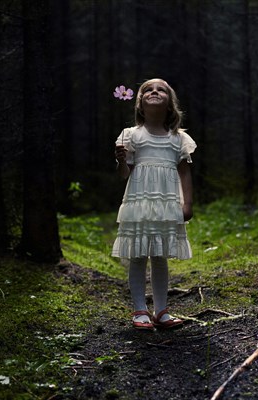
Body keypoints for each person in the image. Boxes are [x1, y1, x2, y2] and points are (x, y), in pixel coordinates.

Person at [112, 78, 196, 331]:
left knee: (160, 255)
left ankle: (161, 310)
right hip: (140, 201)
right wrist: (121, 160)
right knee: (138, 255)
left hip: (166, 203)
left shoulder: (179, 138)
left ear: (170, 102)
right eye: (148, 89)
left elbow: (184, 174)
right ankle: (140, 309)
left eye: (161, 89)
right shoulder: (131, 135)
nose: (154, 92)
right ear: (139, 102)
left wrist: (187, 204)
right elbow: (124, 175)